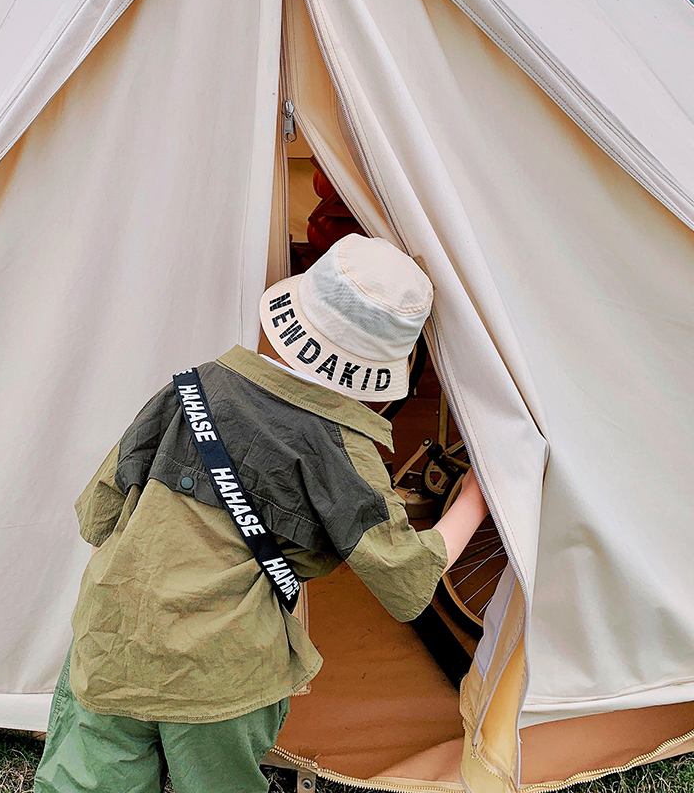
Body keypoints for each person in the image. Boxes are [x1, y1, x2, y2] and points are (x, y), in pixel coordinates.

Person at [34, 233, 489, 793]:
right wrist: (474, 496)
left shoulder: (193, 386)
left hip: (115, 635)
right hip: (223, 670)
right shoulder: (346, 453)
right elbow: (407, 577)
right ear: (384, 371)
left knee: (87, 778)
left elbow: (100, 512)